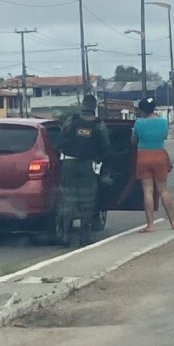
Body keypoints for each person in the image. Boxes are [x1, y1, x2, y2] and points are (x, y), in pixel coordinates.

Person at [57, 93, 111, 245]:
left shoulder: (70, 121)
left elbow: (60, 142)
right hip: (87, 166)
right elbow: (106, 147)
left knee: (68, 202)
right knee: (87, 202)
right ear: (94, 107)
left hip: (68, 165)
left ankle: (65, 237)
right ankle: (84, 238)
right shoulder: (99, 125)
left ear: (82, 105)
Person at [132, 96, 174, 233]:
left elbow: (133, 141)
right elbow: (163, 137)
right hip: (159, 155)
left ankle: (150, 225)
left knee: (148, 191)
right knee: (163, 190)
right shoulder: (163, 122)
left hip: (143, 156)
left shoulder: (138, 123)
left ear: (142, 110)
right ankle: (173, 222)